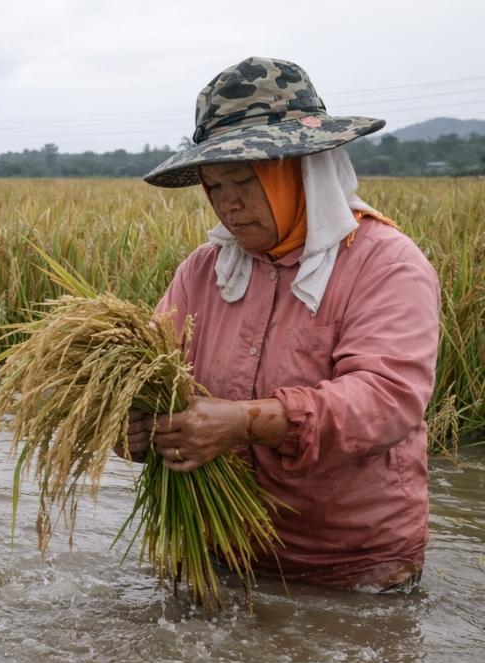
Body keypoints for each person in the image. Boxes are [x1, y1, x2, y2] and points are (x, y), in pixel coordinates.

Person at [126, 57, 440, 591]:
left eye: (245, 181)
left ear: (304, 172)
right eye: (215, 186)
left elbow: (386, 401)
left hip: (349, 569)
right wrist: (133, 429)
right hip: (216, 553)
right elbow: (152, 377)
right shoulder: (204, 270)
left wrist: (246, 422)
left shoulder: (385, 264)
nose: (228, 205)